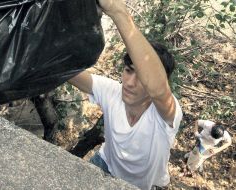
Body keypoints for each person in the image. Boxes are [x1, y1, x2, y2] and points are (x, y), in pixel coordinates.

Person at [68, 0, 183, 189]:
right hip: (105, 164)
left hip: (145, 186)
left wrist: (117, 11)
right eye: (128, 71)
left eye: (142, 78)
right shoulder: (112, 91)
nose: (129, 83)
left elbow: (158, 89)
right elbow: (68, 72)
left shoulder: (166, 116)